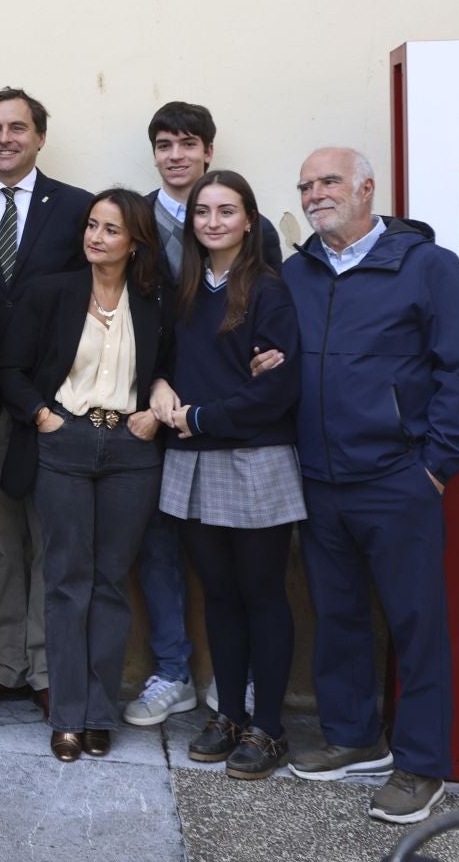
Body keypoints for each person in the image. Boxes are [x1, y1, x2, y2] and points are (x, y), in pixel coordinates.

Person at [281, 148, 459, 825]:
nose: (316, 195)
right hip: (319, 477)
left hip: (397, 478)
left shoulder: (428, 266)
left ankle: (422, 765)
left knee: (415, 622)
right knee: (336, 614)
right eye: (307, 186)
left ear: (367, 188)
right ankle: (352, 736)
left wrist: (434, 465)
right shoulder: (297, 272)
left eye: (330, 182)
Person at [0, 189, 167, 761]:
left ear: (135, 241)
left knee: (111, 583)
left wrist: (156, 404)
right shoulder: (53, 292)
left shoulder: (154, 302)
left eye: (111, 229)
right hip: (63, 442)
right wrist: (42, 417)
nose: (95, 237)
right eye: (92, 225)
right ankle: (67, 714)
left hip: (131, 449)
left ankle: (98, 712)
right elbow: (9, 368)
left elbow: (171, 367)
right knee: (67, 580)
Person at [127, 101, 283, 727]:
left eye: (188, 143)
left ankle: (236, 676)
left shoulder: (253, 226)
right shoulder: (136, 219)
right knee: (157, 543)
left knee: (235, 561)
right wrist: (154, 385)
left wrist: (274, 357)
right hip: (150, 404)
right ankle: (171, 669)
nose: (176, 155)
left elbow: (266, 307)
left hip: (222, 418)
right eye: (165, 144)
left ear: (208, 152)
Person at [147, 170, 303, 779]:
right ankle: (229, 714)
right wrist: (161, 386)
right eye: (203, 212)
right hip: (192, 459)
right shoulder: (183, 288)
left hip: (252, 458)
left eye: (226, 211)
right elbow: (163, 358)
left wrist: (202, 415)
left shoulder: (268, 290)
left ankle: (268, 727)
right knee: (217, 592)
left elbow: (278, 390)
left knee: (261, 592)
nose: (213, 222)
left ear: (248, 220)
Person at [0, 89, 94, 716]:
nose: (4, 138)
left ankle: (46, 667)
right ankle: (3, 664)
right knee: (0, 543)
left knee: (52, 543)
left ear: (39, 136)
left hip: (53, 404)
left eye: (16, 128)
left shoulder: (78, 209)